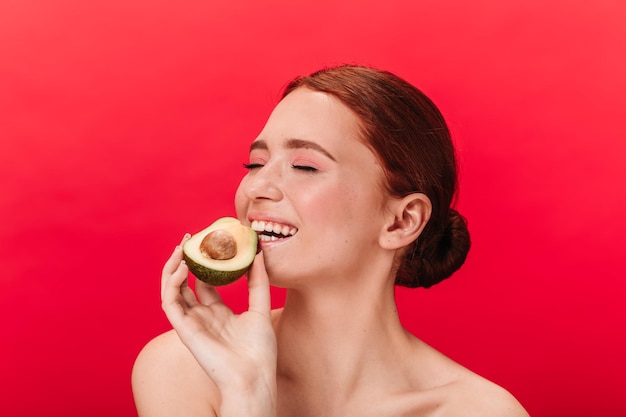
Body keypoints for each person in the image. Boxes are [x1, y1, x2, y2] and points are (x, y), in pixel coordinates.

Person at [132, 64, 529, 417]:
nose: (257, 187)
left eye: (305, 166)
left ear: (402, 221)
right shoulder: (182, 369)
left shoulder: (478, 410)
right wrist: (247, 395)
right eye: (255, 163)